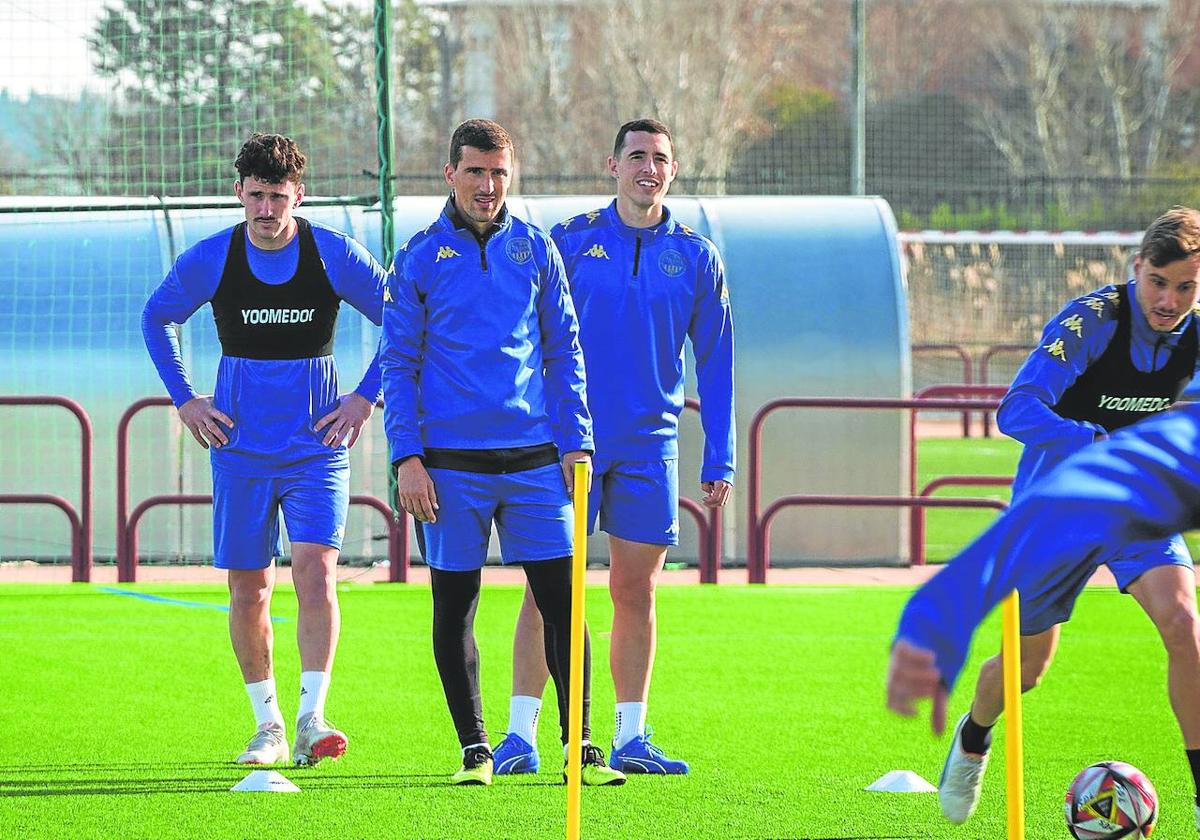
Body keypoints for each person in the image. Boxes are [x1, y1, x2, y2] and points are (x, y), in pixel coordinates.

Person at [891, 207, 1200, 831]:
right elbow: (1016, 410)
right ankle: (974, 738)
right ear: (1136, 268)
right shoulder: (1089, 322)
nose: (1169, 300)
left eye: (1186, 286)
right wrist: (1086, 440)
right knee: (1026, 672)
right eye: (1158, 282)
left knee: (1186, 626)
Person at [379, 118, 625, 787]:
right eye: (476, 172)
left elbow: (563, 352)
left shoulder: (536, 250)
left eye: (499, 174)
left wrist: (578, 443)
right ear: (450, 174)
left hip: (537, 461)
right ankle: (475, 751)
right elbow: (397, 366)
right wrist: (407, 456)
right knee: (454, 608)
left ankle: (581, 746)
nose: (488, 186)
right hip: (449, 467)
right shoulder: (421, 257)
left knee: (563, 603)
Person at [492, 118, 735, 777]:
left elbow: (716, 365)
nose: (647, 168)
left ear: (673, 170)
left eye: (659, 158)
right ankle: (520, 736)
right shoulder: (570, 241)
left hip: (648, 450)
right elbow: (522, 333)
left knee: (636, 590)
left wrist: (721, 456)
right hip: (567, 447)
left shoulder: (696, 256)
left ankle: (631, 737)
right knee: (547, 591)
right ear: (612, 165)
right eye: (636, 157)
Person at [141, 134, 386, 766]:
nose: (267, 210)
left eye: (279, 196)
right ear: (239, 194)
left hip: (316, 447)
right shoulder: (213, 258)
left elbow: (405, 315)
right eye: (256, 196)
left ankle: (312, 715)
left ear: (298, 196)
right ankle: (268, 724)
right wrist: (186, 399)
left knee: (316, 570)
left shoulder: (332, 254)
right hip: (240, 448)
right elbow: (156, 316)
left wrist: (364, 397)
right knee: (248, 588)